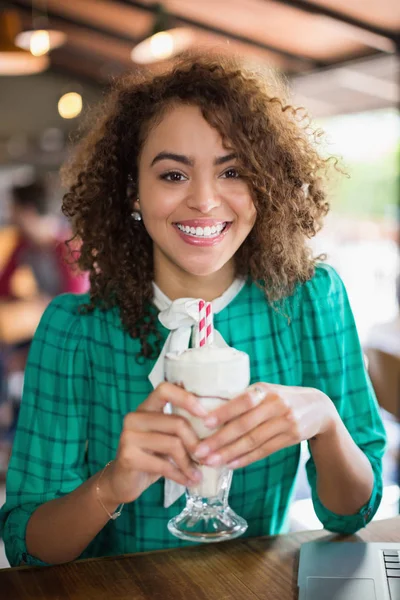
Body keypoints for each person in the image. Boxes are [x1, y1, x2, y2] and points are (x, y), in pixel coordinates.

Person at [0, 54, 386, 567]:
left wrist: (327, 423)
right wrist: (112, 484)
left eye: (233, 170)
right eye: (174, 175)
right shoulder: (75, 330)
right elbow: (27, 548)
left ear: (263, 183)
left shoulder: (312, 301)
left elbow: (351, 515)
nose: (205, 200)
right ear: (133, 191)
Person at [0, 177, 88, 478]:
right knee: (6, 357)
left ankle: (19, 446)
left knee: (21, 363)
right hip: (51, 328)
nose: (10, 216)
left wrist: (42, 302)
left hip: (79, 334)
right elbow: (3, 286)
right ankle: (11, 444)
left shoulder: (65, 247)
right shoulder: (25, 247)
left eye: (13, 210)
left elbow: (77, 306)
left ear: (27, 211)